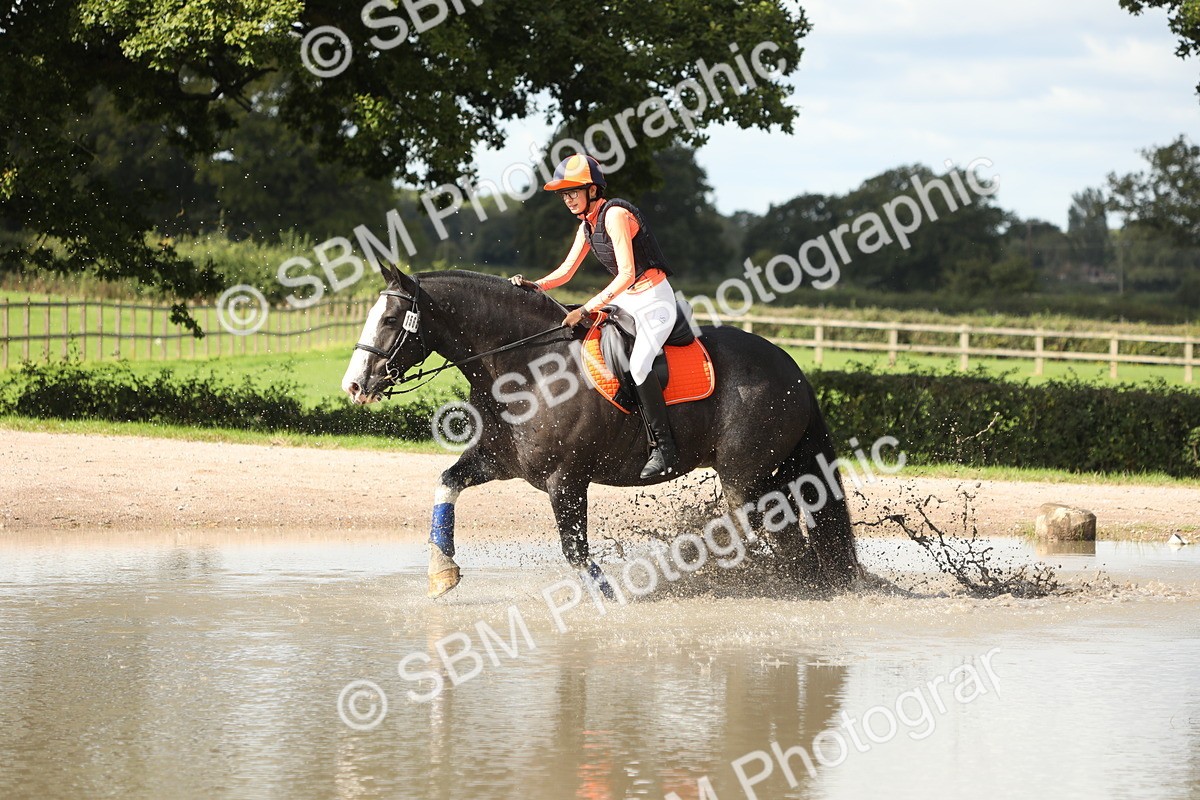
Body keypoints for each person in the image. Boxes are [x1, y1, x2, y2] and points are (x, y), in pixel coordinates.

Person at [510, 153, 679, 479]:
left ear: (592, 190)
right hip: (628, 299)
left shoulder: (614, 215)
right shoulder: (587, 226)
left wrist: (586, 309)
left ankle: (664, 447)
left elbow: (627, 274)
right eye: (564, 194)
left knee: (639, 365)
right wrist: (536, 285)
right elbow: (566, 271)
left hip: (655, 299)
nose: (568, 199)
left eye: (573, 191)